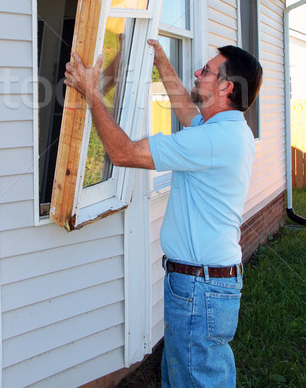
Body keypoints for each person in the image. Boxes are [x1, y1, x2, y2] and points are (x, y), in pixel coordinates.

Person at [64, 39, 263, 388]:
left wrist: (92, 92)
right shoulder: (227, 129)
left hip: (200, 290)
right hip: (203, 286)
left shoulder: (213, 140)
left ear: (226, 87)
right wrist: (160, 59)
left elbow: (124, 153)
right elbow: (187, 110)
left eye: (206, 71)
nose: (198, 74)